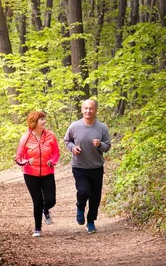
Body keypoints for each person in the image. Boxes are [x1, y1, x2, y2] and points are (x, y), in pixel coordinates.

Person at [64, 99, 111, 234]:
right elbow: (67, 141)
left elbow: (107, 146)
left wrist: (100, 145)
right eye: (85, 108)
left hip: (96, 167)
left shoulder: (102, 128)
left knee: (95, 197)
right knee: (84, 191)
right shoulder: (74, 126)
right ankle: (80, 207)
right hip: (79, 166)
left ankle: (91, 221)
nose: (88, 111)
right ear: (81, 110)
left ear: (96, 110)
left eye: (91, 108)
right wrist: (73, 148)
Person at [15, 111, 61, 237]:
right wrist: (26, 161)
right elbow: (18, 158)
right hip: (31, 174)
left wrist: (53, 161)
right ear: (34, 122)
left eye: (44, 119)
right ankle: (37, 228)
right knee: (37, 201)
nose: (44, 121)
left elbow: (56, 152)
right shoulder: (25, 138)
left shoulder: (51, 136)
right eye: (42, 119)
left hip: (47, 172)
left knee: (51, 200)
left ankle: (45, 210)